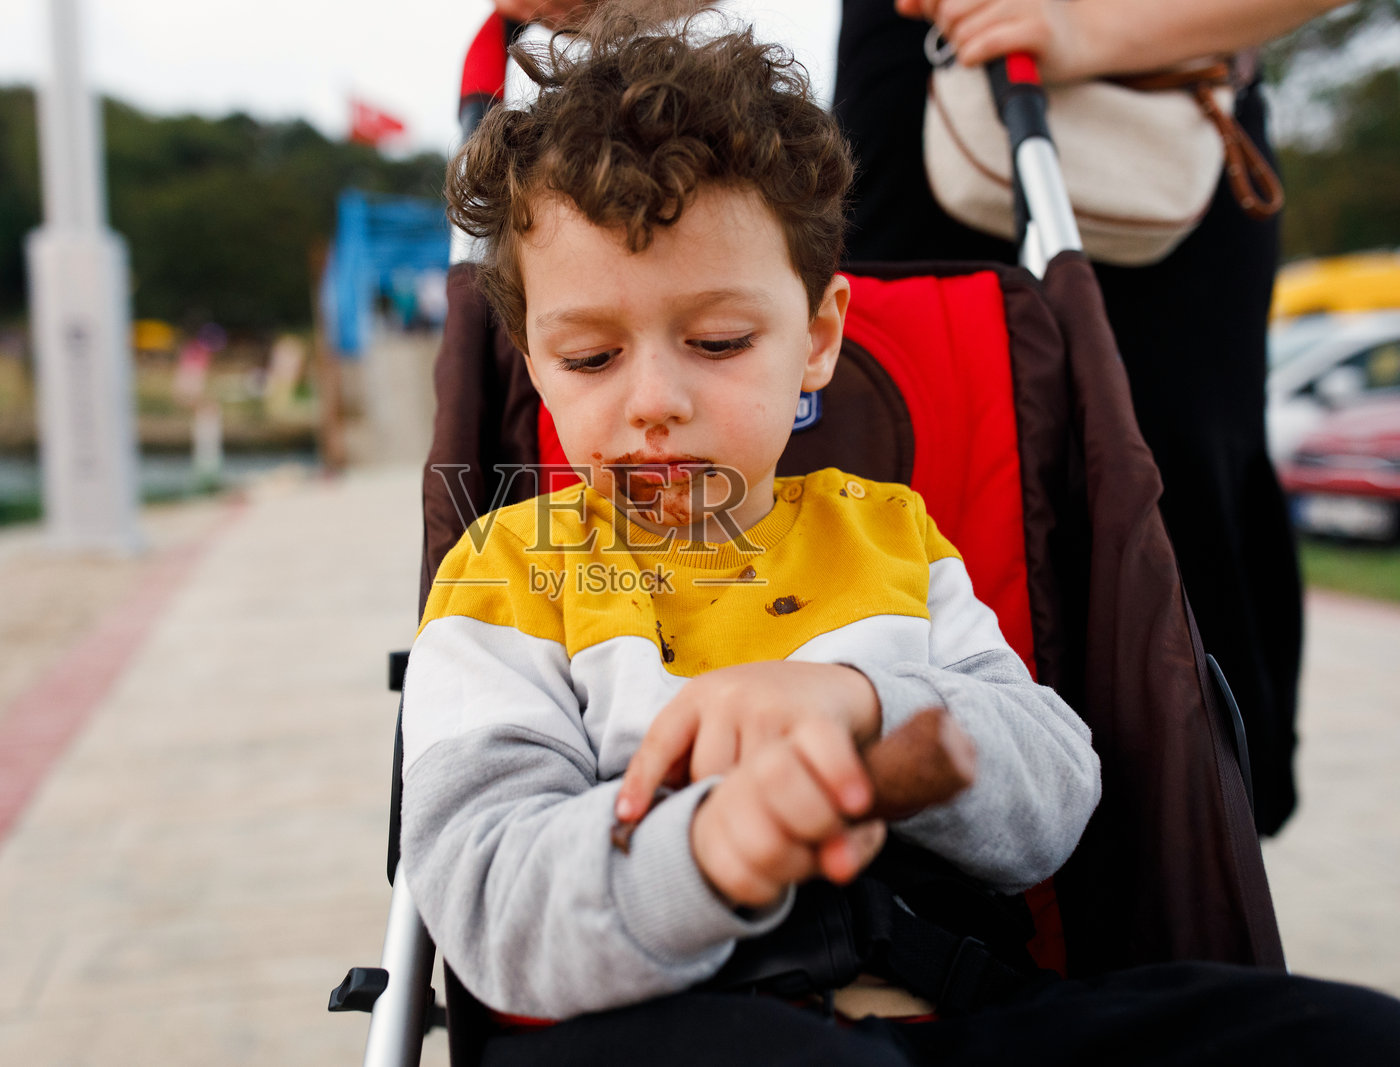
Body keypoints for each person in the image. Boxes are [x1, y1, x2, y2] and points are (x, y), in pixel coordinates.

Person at [403, 12, 1400, 1064]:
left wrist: (870, 704)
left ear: (817, 337)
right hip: (683, 1019)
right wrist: (703, 850)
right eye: (592, 357)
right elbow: (487, 896)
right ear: (532, 360)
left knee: (1338, 1036)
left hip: (962, 999)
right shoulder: (514, 574)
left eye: (717, 342)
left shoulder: (884, 533)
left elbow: (1052, 792)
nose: (654, 400)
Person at [833, 0, 1351, 837]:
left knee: (1159, 495)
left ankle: (1190, 862)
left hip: (1156, 131)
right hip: (909, 122)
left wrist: (1088, 27)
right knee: (902, 472)